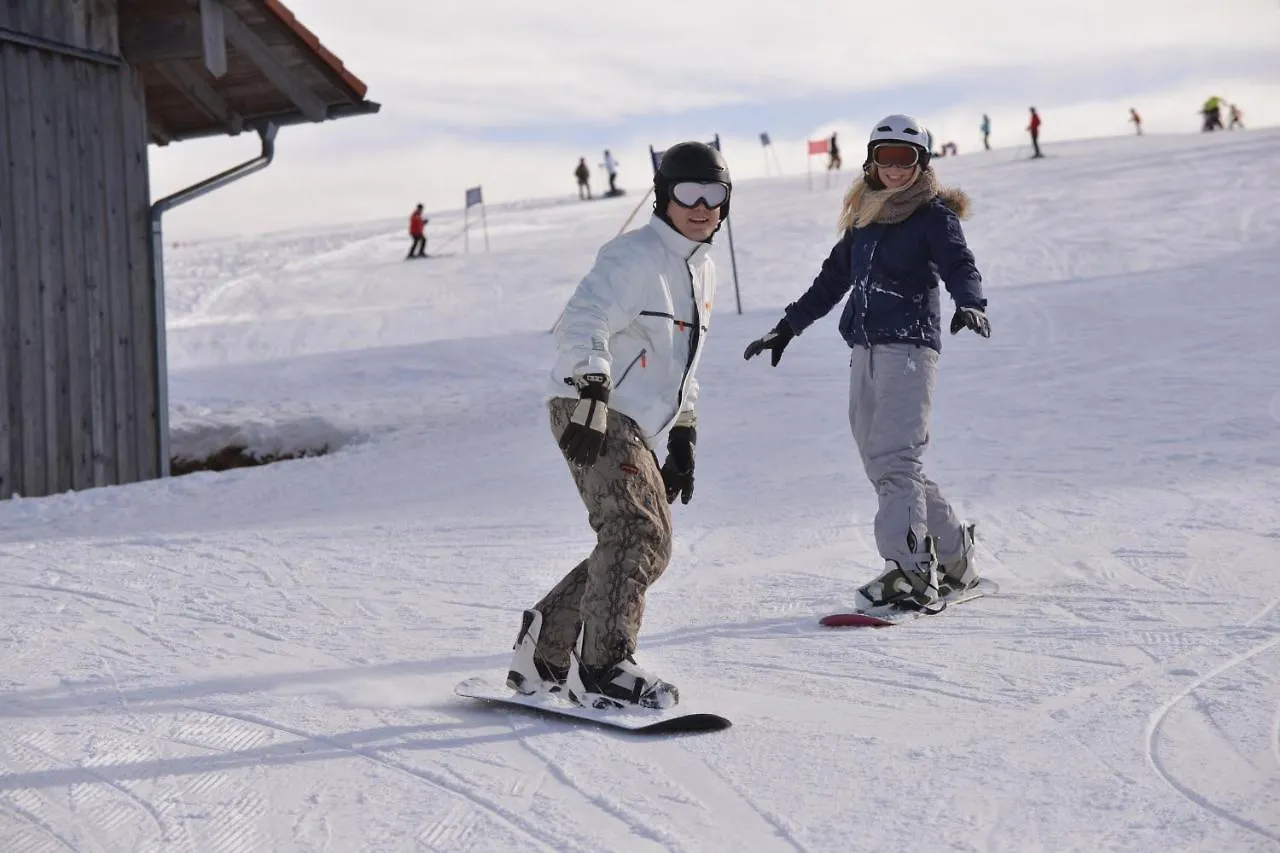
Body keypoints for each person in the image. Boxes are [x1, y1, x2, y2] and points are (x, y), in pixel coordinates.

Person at [507, 141, 732, 710]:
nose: (702, 207)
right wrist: (592, 382)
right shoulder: (634, 256)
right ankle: (602, 668)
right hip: (592, 407)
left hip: (633, 416)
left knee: (645, 545)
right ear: (663, 196)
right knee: (636, 531)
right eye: (688, 194)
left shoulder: (703, 270)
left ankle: (545, 650)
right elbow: (584, 317)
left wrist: (684, 431)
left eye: (715, 195)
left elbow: (682, 363)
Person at [743, 114, 990, 614]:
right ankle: (954, 556)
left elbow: (959, 264)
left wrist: (971, 302)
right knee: (886, 461)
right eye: (887, 158)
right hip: (866, 349)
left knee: (895, 460)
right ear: (872, 162)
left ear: (922, 163)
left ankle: (911, 571)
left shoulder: (932, 216)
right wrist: (788, 327)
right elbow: (830, 282)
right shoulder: (866, 221)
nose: (896, 169)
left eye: (906, 159)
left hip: (909, 349)